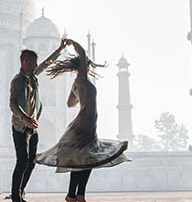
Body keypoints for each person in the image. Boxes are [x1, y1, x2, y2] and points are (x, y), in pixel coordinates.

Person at [35, 38, 129, 202]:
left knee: (82, 159)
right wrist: (73, 43)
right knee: (85, 158)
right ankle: (76, 195)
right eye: (85, 65)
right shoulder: (82, 79)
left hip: (86, 122)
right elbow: (83, 53)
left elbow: (69, 103)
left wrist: (79, 93)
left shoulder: (77, 83)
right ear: (82, 66)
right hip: (86, 122)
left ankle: (75, 195)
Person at [9, 38, 69, 202]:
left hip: (33, 127)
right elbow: (12, 104)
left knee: (31, 162)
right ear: (25, 61)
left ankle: (20, 192)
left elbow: (45, 64)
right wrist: (25, 117)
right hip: (20, 127)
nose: (36, 66)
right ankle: (16, 197)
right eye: (33, 63)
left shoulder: (33, 77)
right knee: (22, 161)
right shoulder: (18, 81)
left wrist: (59, 50)